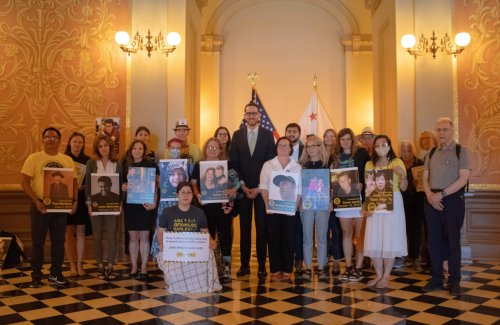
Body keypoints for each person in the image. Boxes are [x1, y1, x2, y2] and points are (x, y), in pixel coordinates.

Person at [21, 127, 78, 288]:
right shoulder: (34, 158)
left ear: (60, 140)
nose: (50, 139)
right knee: (38, 242)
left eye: (54, 137)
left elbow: (73, 182)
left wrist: (75, 201)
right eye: (47, 137)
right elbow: (24, 182)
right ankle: (36, 276)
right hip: (40, 206)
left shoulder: (67, 160)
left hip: (60, 207)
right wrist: (36, 201)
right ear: (42, 139)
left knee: (59, 242)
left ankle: (56, 274)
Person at [422, 117, 470, 296]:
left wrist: (440, 195)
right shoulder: (431, 152)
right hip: (431, 200)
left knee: (452, 241)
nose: (441, 133)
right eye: (438, 130)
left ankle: (454, 280)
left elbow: (463, 179)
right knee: (433, 242)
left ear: (452, 131)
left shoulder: (460, 150)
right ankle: (436, 279)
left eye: (445, 129)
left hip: (452, 200)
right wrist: (430, 196)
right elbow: (425, 178)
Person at [229, 101, 275, 281]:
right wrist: (242, 185)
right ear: (244, 115)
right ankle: (245, 265)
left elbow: (270, 163)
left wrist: (259, 187)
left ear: (259, 116)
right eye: (248, 113)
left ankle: (263, 266)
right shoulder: (237, 135)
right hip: (243, 190)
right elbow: (234, 162)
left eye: (254, 113)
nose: (251, 116)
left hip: (261, 191)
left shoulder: (267, 135)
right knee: (245, 229)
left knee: (262, 229)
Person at [156, 182, 221, 293]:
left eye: (189, 193)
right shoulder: (167, 212)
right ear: (177, 194)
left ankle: (204, 286)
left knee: (209, 251)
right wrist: (162, 244)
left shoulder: (199, 212)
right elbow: (160, 232)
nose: (186, 195)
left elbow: (205, 233)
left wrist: (211, 241)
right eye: (183, 192)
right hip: (174, 252)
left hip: (194, 251)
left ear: (192, 195)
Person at [191, 138, 239, 283]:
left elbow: (237, 183)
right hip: (205, 208)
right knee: (207, 237)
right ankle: (210, 267)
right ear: (205, 149)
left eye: (215, 147)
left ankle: (226, 268)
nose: (212, 150)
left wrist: (233, 190)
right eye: (209, 147)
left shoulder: (227, 165)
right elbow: (193, 184)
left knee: (225, 237)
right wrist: (197, 194)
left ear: (220, 149)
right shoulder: (199, 166)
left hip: (223, 208)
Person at [364, 135, 408, 289]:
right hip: (375, 203)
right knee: (374, 238)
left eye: (384, 144)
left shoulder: (397, 162)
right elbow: (368, 187)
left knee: (389, 238)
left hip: (393, 202)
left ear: (389, 145)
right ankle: (378, 274)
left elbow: (404, 187)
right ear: (373, 147)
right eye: (378, 145)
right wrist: (367, 206)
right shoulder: (369, 164)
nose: (381, 147)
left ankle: (386, 276)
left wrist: (402, 174)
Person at [260, 137, 301, 282]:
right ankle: (275, 269)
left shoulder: (297, 166)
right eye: (281, 145)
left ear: (291, 149)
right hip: (273, 209)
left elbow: (299, 190)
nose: (284, 147)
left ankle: (287, 270)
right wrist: (267, 205)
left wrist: (294, 207)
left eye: (287, 145)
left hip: (290, 210)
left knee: (289, 239)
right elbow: (263, 187)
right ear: (276, 148)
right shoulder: (268, 165)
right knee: (274, 239)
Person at [331, 128, 370, 282]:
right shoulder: (335, 157)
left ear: (352, 140)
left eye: (348, 139)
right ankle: (348, 266)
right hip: (343, 201)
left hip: (359, 199)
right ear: (339, 141)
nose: (345, 142)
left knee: (360, 235)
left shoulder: (362, 154)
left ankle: (359, 267)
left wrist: (363, 184)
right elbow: (332, 179)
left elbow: (369, 174)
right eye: (342, 139)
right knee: (346, 234)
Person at [85, 135, 123, 280]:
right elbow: (88, 185)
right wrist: (89, 204)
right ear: (97, 148)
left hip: (113, 205)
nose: (103, 148)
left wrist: (120, 204)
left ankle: (111, 267)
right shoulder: (91, 163)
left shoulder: (117, 163)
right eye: (100, 146)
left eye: (105, 145)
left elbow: (120, 185)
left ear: (110, 147)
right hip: (95, 205)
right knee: (97, 236)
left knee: (112, 236)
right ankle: (100, 266)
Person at [122, 140, 159, 279]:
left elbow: (155, 186)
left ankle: (143, 267)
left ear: (144, 151)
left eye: (140, 148)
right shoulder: (126, 166)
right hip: (131, 205)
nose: (137, 151)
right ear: (131, 150)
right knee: (133, 237)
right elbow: (122, 184)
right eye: (135, 148)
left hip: (145, 204)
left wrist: (154, 202)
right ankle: (133, 266)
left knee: (144, 237)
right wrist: (123, 187)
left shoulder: (150, 165)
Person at [298, 135, 331, 280]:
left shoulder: (327, 164)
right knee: (307, 237)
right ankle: (308, 267)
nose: (310, 149)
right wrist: (299, 203)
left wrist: (332, 202)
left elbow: (333, 186)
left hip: (324, 204)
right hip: (306, 205)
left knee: (322, 237)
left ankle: (322, 266)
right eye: (308, 146)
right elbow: (298, 187)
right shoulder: (301, 165)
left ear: (320, 147)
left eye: (313, 146)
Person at [64, 131, 90, 277]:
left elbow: (91, 182)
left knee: (81, 231)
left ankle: (80, 264)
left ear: (83, 144)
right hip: (66, 199)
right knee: (68, 232)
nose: (77, 144)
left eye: (80, 142)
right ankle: (71, 265)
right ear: (69, 142)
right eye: (74, 141)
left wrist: (83, 187)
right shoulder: (63, 159)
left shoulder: (88, 160)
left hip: (81, 200)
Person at [400, 141, 426, 270]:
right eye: (403, 150)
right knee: (401, 229)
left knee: (415, 230)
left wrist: (419, 184)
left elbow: (425, 182)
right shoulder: (397, 163)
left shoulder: (420, 163)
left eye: (408, 150)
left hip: (417, 201)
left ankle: (415, 257)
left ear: (413, 151)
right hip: (401, 201)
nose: (406, 153)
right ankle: (402, 256)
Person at [286, 123, 305, 277]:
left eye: (294, 131)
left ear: (299, 133)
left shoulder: (306, 150)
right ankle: (286, 259)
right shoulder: (279, 149)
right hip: (283, 197)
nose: (291, 133)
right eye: (289, 131)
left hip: (301, 196)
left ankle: (298, 259)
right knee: (285, 229)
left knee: (299, 229)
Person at [323, 128, 343, 276]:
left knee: (336, 231)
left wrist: (333, 199)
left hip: (336, 198)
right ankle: (323, 261)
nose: (330, 138)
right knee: (323, 232)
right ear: (323, 138)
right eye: (327, 136)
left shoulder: (340, 156)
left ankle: (336, 262)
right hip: (320, 199)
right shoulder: (319, 154)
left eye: (332, 136)